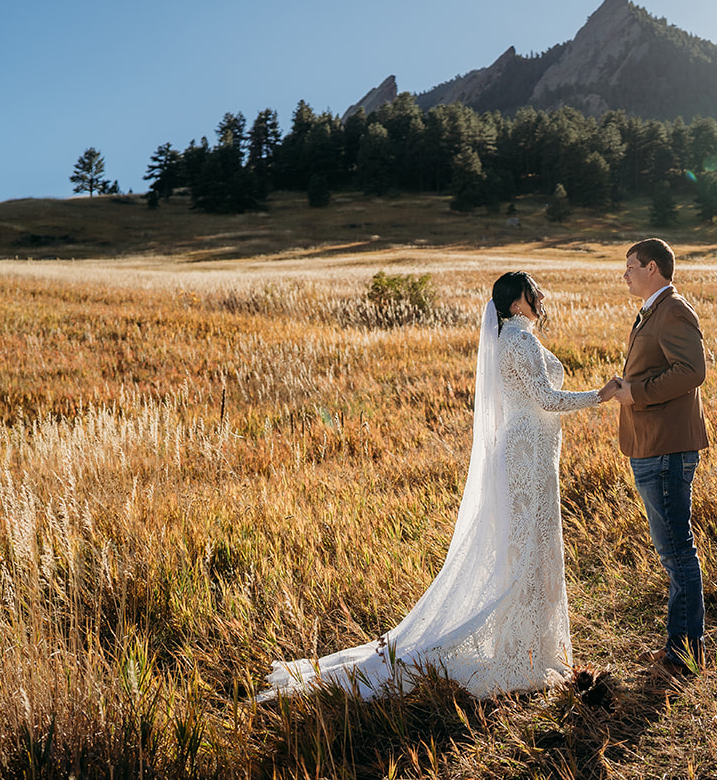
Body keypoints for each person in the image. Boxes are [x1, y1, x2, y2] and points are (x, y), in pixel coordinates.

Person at [261, 271, 611, 701]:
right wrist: (601, 394)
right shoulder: (520, 341)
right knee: (526, 549)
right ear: (517, 301)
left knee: (526, 548)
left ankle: (527, 644)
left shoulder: (515, 338)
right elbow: (547, 400)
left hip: (530, 452)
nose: (542, 295)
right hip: (526, 456)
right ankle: (521, 651)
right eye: (534, 290)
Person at [602, 238, 709, 676]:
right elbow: (655, 368)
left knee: (677, 552)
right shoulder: (652, 310)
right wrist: (625, 386)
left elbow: (692, 371)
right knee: (673, 551)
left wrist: (636, 394)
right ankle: (680, 646)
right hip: (652, 443)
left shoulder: (674, 309)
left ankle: (685, 654)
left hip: (666, 447)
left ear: (651, 267)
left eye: (629, 266)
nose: (624, 274)